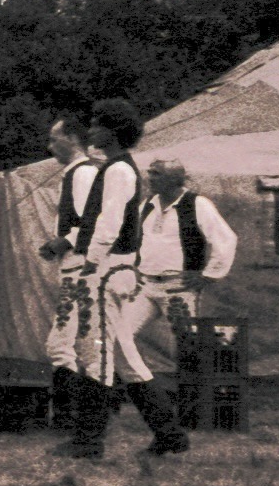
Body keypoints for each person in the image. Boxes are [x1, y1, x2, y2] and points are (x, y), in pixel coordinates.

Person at [59, 98, 188, 461]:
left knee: (95, 352)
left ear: (114, 131)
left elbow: (109, 223)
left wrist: (91, 262)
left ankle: (89, 439)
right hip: (117, 266)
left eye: (98, 124)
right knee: (124, 356)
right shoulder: (118, 167)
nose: (92, 130)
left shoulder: (118, 170)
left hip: (107, 267)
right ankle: (170, 433)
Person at [118, 158, 238, 388]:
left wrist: (208, 275)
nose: (150, 178)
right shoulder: (147, 205)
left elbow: (225, 239)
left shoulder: (196, 204)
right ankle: (138, 389)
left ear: (174, 179)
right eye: (150, 173)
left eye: (157, 174)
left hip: (178, 288)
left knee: (186, 345)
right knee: (119, 334)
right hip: (145, 287)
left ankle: (195, 402)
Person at [37, 115, 102, 432]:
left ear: (73, 139)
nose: (50, 146)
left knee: (60, 344)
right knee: (89, 345)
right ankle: (87, 417)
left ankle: (67, 416)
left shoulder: (84, 173)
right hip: (78, 266)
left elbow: (94, 219)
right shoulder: (76, 173)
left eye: (55, 138)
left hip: (81, 267)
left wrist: (63, 241)